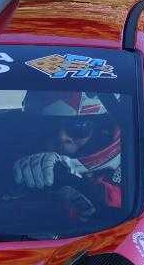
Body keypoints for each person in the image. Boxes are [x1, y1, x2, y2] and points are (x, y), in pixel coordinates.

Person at [9, 90, 124, 220]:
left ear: (102, 130)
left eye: (78, 126)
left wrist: (86, 189)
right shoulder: (16, 161)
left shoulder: (130, 173)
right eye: (50, 127)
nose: (62, 137)